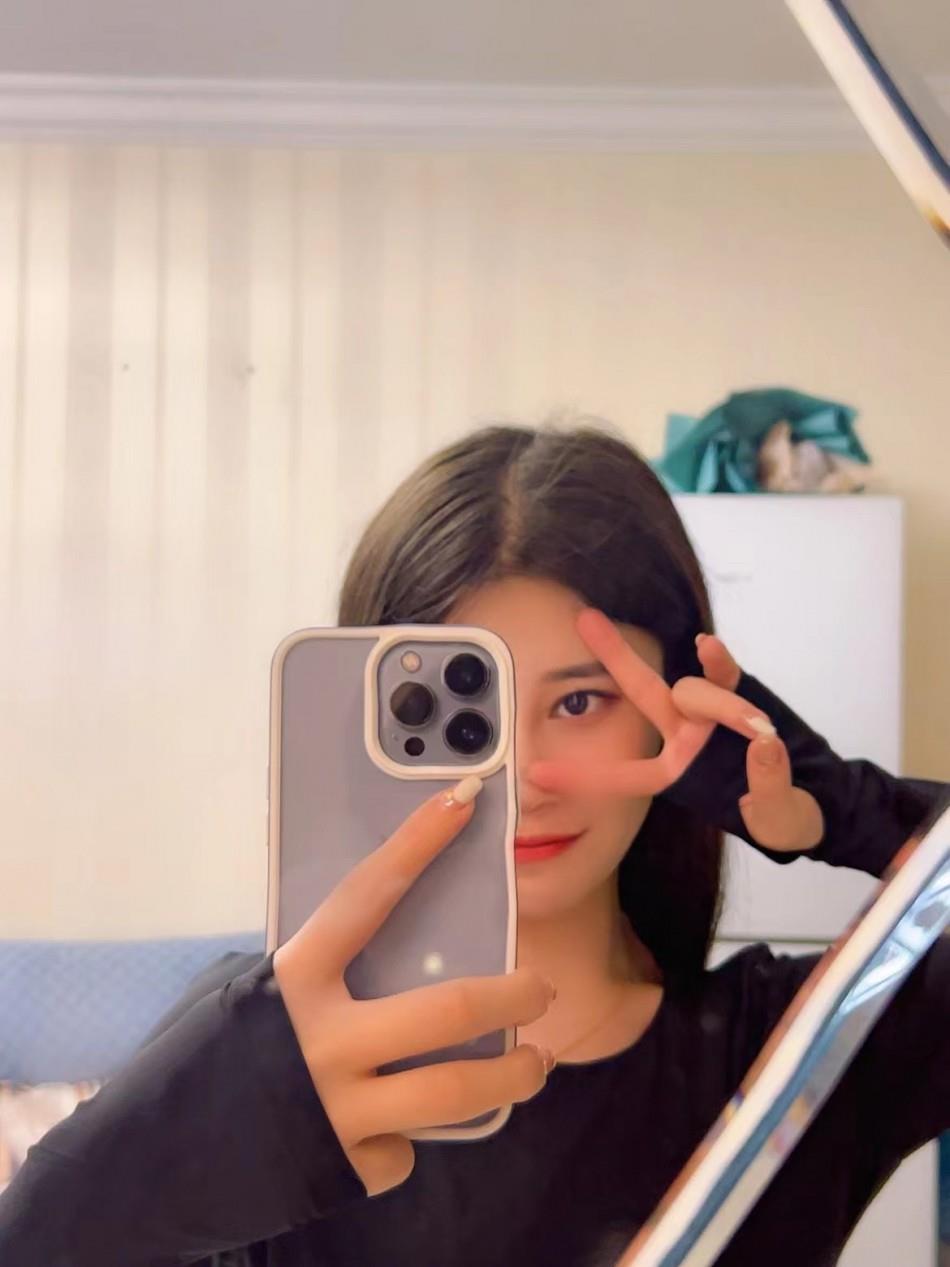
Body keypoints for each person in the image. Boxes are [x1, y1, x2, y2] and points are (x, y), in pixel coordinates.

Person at [0, 422, 945, 1267]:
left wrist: (839, 805)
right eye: (457, 717)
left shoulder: (801, 1056)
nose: (522, 777)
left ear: (670, 718)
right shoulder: (268, 1052)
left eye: (580, 701)